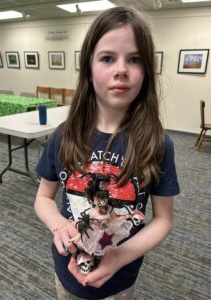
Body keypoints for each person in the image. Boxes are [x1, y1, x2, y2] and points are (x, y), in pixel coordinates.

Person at [34, 6, 180, 300]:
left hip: (120, 277)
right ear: (88, 68)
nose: (122, 69)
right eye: (107, 58)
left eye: (135, 59)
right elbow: (43, 197)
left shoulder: (158, 143)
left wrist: (122, 255)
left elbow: (163, 219)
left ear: (147, 71)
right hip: (67, 270)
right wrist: (59, 225)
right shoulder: (64, 135)